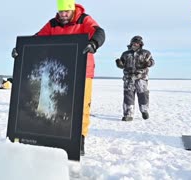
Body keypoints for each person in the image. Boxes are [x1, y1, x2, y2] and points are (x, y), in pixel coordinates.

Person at [12, 0, 105, 156]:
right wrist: (21, 50)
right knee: (57, 103)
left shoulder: (83, 20)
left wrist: (94, 43)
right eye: (61, 12)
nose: (63, 15)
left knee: (81, 105)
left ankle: (79, 139)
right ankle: (55, 135)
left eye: (66, 12)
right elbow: (37, 39)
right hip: (59, 71)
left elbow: (99, 32)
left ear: (72, 10)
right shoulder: (53, 24)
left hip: (83, 70)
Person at [115, 35, 155, 121]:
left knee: (143, 94)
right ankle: (128, 114)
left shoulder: (146, 53)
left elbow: (152, 62)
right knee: (128, 95)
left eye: (137, 43)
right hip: (128, 78)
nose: (135, 44)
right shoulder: (125, 54)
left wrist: (149, 63)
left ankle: (144, 110)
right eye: (134, 43)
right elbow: (122, 65)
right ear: (131, 43)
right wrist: (119, 64)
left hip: (141, 77)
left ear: (140, 44)